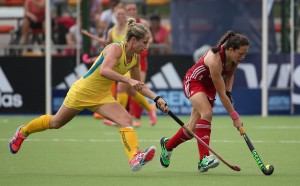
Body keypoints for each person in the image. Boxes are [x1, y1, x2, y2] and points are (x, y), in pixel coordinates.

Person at [9, 18, 169, 172]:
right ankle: (23, 132)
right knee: (55, 123)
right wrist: (127, 80)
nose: (146, 47)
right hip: (82, 91)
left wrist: (157, 98)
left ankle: (134, 156)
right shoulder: (115, 48)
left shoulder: (135, 57)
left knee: (125, 119)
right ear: (133, 40)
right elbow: (104, 70)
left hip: (102, 96)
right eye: (144, 42)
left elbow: (138, 86)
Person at [159, 30, 249, 173]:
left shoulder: (234, 59)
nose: (243, 57)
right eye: (241, 53)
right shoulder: (215, 60)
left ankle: (168, 145)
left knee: (192, 129)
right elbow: (221, 93)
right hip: (194, 82)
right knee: (207, 112)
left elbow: (230, 75)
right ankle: (203, 159)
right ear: (231, 50)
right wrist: (235, 116)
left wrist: (229, 91)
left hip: (209, 87)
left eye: (245, 54)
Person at [91, 3, 157, 126]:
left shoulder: (135, 29)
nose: (121, 16)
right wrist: (103, 42)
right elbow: (108, 48)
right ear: (115, 16)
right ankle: (149, 109)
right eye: (119, 14)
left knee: (127, 87)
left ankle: (120, 118)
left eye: (123, 13)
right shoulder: (112, 31)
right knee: (132, 91)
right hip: (118, 63)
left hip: (131, 61)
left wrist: (158, 99)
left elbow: (148, 40)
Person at [125, 2, 152, 127]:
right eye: (129, 9)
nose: (131, 11)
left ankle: (137, 118)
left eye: (133, 9)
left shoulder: (144, 24)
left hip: (140, 59)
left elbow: (148, 41)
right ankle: (127, 115)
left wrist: (142, 48)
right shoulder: (124, 26)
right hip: (127, 58)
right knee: (127, 89)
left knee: (137, 87)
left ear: (137, 10)